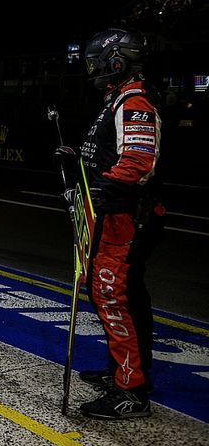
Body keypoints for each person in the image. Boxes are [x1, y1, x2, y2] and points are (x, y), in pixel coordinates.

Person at [57, 27, 165, 420]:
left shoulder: (133, 100)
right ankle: (122, 371)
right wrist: (79, 160)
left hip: (126, 219)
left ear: (115, 61)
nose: (92, 71)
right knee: (125, 299)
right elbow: (109, 154)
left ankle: (132, 392)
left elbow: (137, 162)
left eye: (96, 64)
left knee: (111, 296)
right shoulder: (117, 98)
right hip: (116, 215)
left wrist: (98, 191)